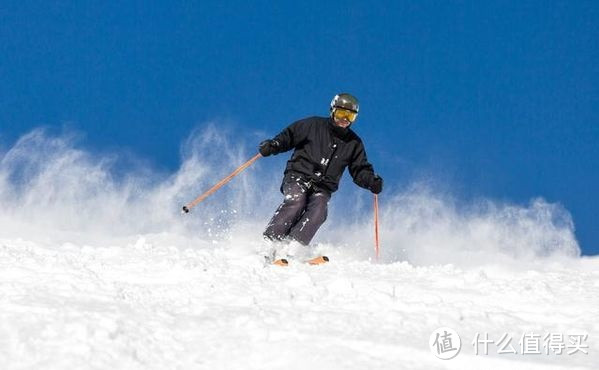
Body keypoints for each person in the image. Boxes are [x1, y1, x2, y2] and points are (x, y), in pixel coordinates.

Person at [258, 93, 383, 264]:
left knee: (319, 210)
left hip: (323, 187)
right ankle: (270, 243)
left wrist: (371, 181)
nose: (344, 119)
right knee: (296, 201)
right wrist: (273, 145)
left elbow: (359, 169)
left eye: (350, 116)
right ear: (332, 111)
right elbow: (289, 136)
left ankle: (292, 249)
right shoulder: (313, 125)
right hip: (298, 175)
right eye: (341, 113)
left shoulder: (354, 143)